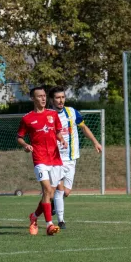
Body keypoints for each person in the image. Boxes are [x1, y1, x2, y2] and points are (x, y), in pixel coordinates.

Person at [48, 86, 103, 229]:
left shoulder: (72, 112)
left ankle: (53, 202)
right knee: (60, 190)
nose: (61, 100)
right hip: (56, 158)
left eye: (62, 97)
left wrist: (95, 142)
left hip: (71, 158)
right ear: (52, 100)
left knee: (66, 192)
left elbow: (83, 128)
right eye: (57, 98)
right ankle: (61, 221)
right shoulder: (48, 116)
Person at [17, 86, 68, 236]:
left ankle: (34, 217)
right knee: (46, 190)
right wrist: (26, 145)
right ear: (33, 98)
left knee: (50, 194)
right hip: (39, 159)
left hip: (55, 158)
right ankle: (49, 225)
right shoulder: (27, 118)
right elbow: (19, 136)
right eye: (39, 96)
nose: (44, 98)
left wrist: (62, 140)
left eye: (45, 96)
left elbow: (57, 132)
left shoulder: (53, 114)